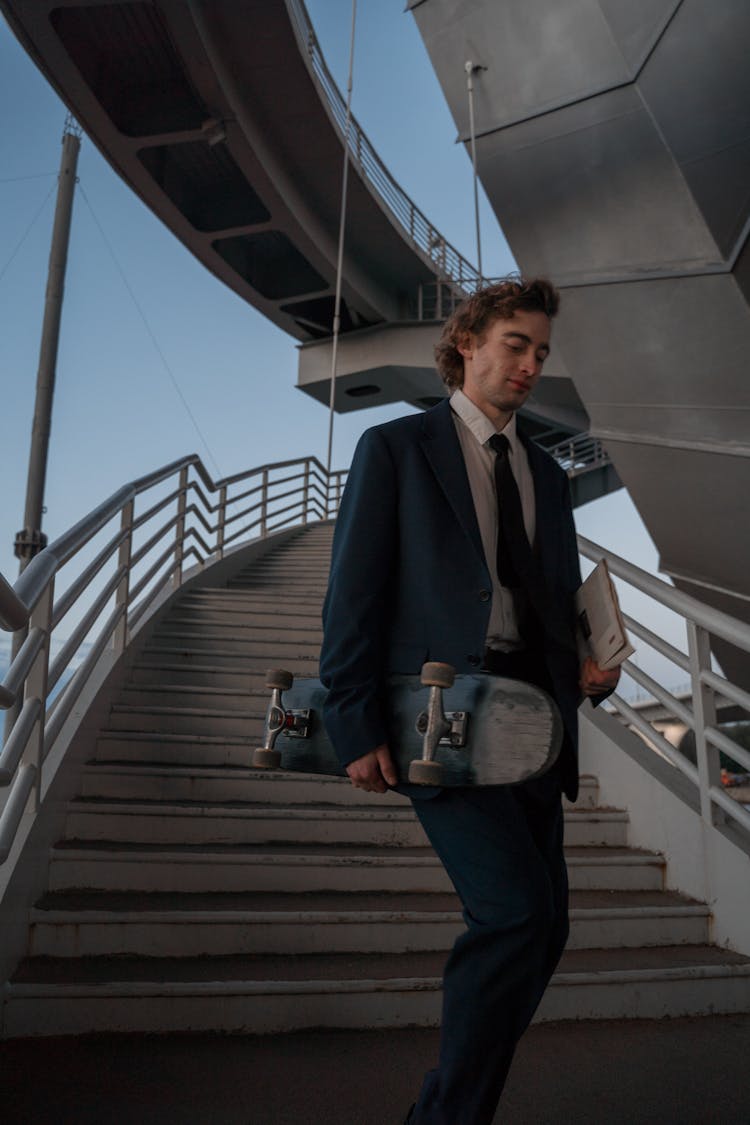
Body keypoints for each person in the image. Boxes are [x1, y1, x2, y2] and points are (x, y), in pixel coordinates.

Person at [319, 277, 619, 1125]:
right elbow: (354, 595)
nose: (530, 365)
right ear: (467, 343)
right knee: (515, 912)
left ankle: (450, 1108)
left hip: (535, 718)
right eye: (516, 345)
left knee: (546, 927)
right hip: (437, 717)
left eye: (541, 353)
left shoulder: (549, 476)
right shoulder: (397, 448)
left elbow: (551, 604)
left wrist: (593, 670)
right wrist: (353, 719)